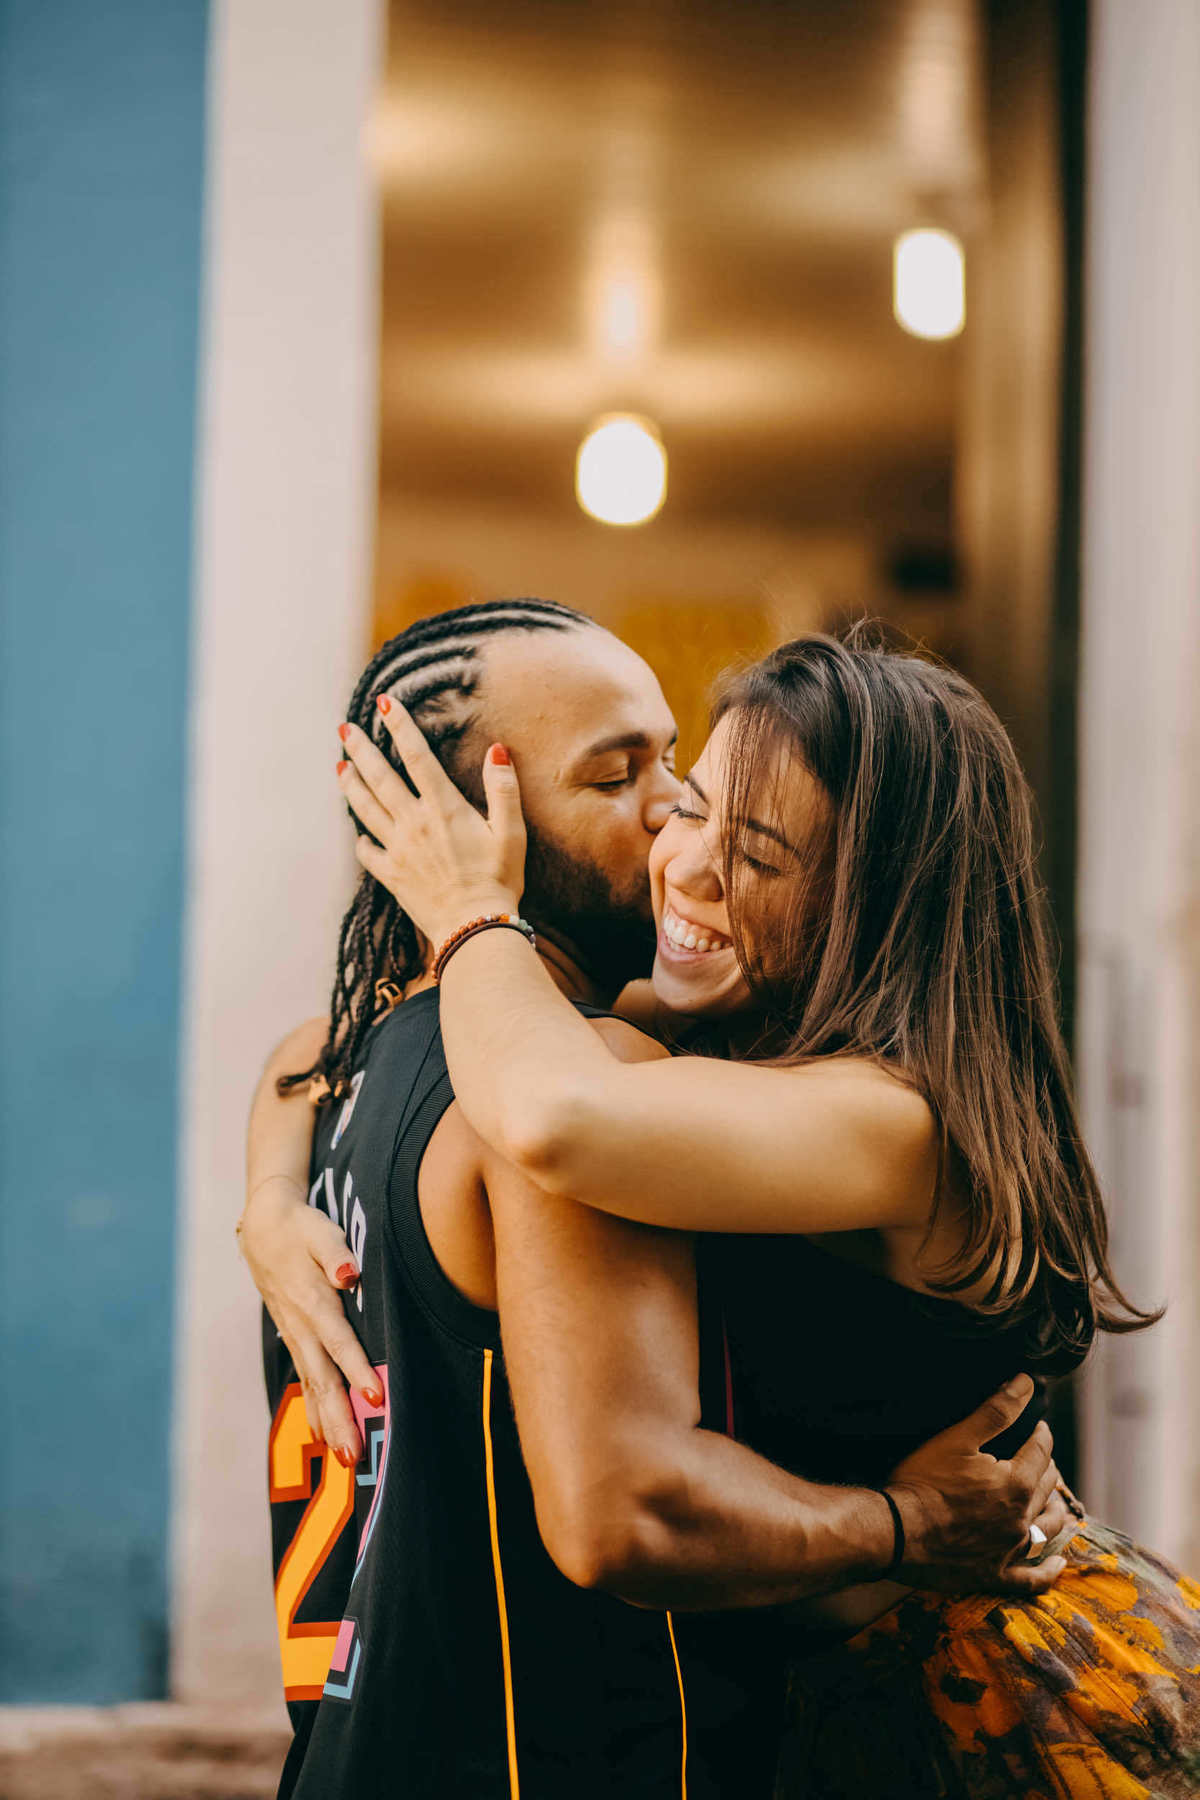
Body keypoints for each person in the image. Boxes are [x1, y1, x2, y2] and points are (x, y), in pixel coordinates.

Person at [329, 626, 1200, 1798]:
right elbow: (323, 1054)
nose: (684, 864)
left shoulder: (893, 1120)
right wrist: (271, 1205)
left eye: (760, 856)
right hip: (831, 1703)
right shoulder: (727, 1034)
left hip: (1005, 1705)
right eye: (692, 806)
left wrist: (473, 914)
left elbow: (554, 1113)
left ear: (876, 907)